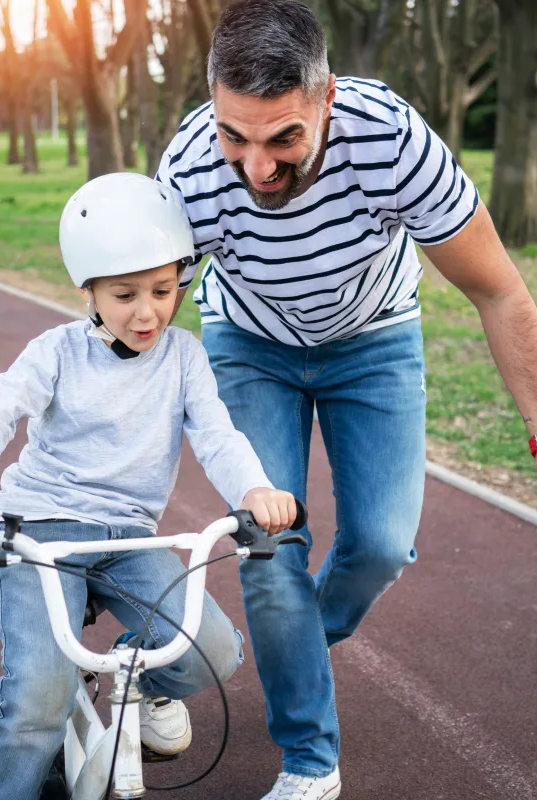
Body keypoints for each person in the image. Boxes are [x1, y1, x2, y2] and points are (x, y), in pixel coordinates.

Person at [157, 1, 537, 797]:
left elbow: (502, 292)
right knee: (269, 547)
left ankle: (273, 649)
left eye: (283, 137)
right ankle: (309, 759)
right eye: (236, 134)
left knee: (380, 545)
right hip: (249, 344)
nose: (257, 168)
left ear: (326, 100)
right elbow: (144, 332)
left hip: (375, 342)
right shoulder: (190, 168)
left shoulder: (391, 140)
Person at [0, 172, 298, 800]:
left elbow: (217, 435)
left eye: (163, 291)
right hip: (40, 537)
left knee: (210, 651)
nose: (147, 311)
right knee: (37, 700)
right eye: (125, 294)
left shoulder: (184, 356)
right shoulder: (58, 352)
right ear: (89, 290)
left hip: (129, 540)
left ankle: (128, 681)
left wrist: (254, 490)